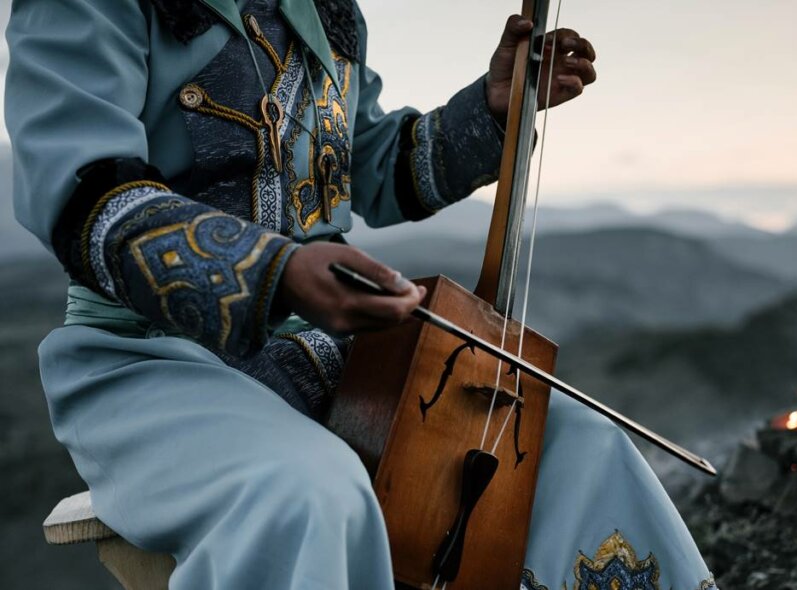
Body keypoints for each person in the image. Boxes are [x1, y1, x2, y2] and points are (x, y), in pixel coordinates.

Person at [6, 1, 716, 588]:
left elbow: (374, 168)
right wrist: (275, 271)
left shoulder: (325, 13)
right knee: (308, 495)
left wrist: (492, 108)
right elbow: (80, 192)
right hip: (150, 362)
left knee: (580, 447)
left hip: (331, 354)